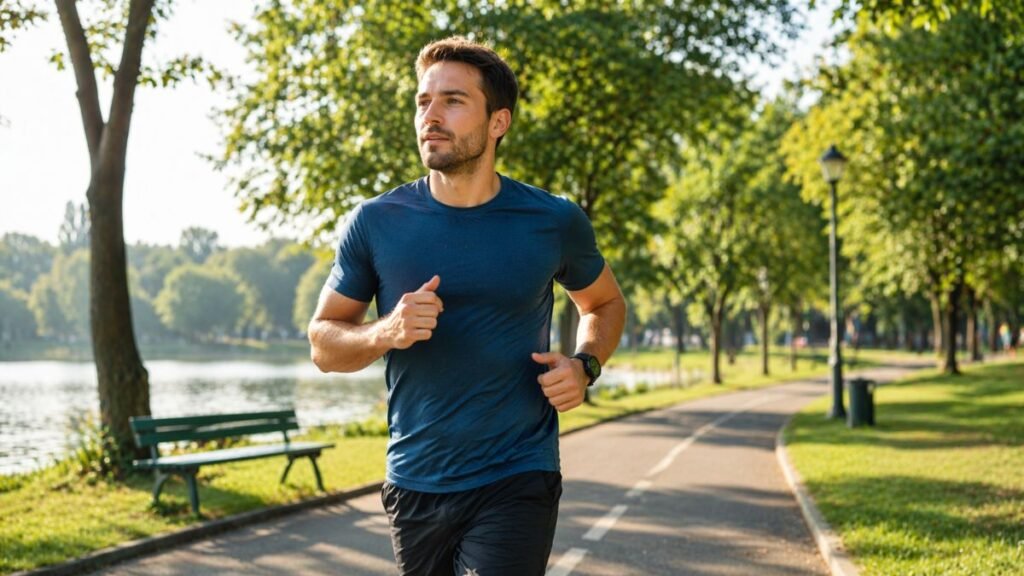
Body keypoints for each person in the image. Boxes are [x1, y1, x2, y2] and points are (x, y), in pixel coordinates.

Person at [308, 36, 626, 576]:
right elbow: (323, 345)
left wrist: (585, 364)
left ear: (498, 122)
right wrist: (386, 331)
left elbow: (604, 302)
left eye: (453, 101)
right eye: (423, 102)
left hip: (517, 473)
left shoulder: (553, 220)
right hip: (415, 480)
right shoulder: (376, 222)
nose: (430, 116)